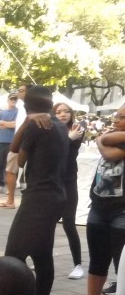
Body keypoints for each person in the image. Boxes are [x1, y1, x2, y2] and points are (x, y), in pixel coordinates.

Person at [3, 86, 69, 295]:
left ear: (27, 107)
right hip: (55, 197)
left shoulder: (36, 125)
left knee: (13, 255)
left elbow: (17, 156)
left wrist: (28, 122)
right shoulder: (60, 125)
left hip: (38, 197)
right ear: (50, 104)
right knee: (42, 253)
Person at [66, 104, 125, 295]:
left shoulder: (111, 139)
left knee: (123, 265)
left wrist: (101, 139)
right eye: (116, 115)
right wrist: (105, 137)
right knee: (98, 260)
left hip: (122, 211)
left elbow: (109, 152)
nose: (116, 119)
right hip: (100, 208)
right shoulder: (113, 135)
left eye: (122, 117)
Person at [54, 102, 85, 280]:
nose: (62, 114)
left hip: (68, 181)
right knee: (47, 224)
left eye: (66, 111)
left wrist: (69, 138)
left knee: (69, 223)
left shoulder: (77, 128)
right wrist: (67, 138)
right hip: (51, 181)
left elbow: (66, 152)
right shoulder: (50, 129)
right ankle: (41, 258)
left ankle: (78, 264)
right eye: (58, 112)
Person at [0, 83, 33, 209]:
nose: (18, 93)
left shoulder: (30, 107)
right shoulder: (22, 106)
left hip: (23, 142)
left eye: (21, 90)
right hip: (18, 142)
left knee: (14, 170)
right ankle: (10, 200)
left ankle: (12, 201)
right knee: (11, 170)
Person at [0, 94, 18, 194]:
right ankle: (0, 184)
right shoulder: (1, 112)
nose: (13, 100)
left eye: (15, 99)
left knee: (11, 165)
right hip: (0, 141)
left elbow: (15, 124)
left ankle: (11, 186)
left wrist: (4, 123)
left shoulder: (18, 112)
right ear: (7, 100)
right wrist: (8, 123)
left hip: (13, 141)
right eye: (11, 99)